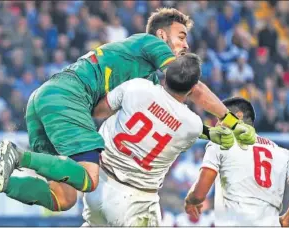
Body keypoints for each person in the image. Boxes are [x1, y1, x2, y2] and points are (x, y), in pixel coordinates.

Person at [0, 8, 255, 212]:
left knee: (63, 198)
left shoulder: (145, 80)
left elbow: (165, 112)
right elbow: (194, 87)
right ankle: (18, 156)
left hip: (48, 98)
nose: (185, 45)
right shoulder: (151, 44)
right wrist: (228, 119)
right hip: (70, 96)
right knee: (90, 178)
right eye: (181, 36)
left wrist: (207, 132)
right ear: (162, 36)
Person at [82, 53, 234, 226]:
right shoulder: (192, 124)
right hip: (136, 200)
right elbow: (176, 124)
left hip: (98, 183)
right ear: (192, 89)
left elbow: (99, 111)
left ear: (166, 73)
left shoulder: (137, 86)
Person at [184, 97, 289, 226]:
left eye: (221, 119)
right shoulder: (282, 152)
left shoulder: (221, 144)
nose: (217, 125)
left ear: (238, 116)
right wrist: (287, 219)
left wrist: (190, 200)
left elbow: (199, 194)